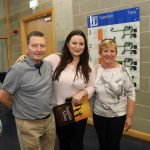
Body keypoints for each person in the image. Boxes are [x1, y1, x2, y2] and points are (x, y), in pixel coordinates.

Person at [0, 31, 56, 150]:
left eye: (42, 46)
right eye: (34, 45)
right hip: (28, 124)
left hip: (49, 120)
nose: (39, 49)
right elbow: (3, 96)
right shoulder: (17, 69)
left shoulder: (48, 65)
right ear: (27, 48)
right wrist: (18, 109)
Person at [44, 30, 95, 150]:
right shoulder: (55, 59)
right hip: (60, 107)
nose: (78, 47)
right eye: (74, 43)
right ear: (67, 43)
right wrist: (24, 57)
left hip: (79, 106)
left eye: (81, 44)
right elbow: (36, 62)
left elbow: (92, 86)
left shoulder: (88, 64)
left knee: (78, 143)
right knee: (64, 142)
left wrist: (83, 92)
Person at [93, 38, 136, 150]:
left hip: (117, 116)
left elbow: (131, 94)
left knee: (113, 145)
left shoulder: (123, 71)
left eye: (112, 51)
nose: (109, 54)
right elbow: (90, 89)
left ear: (116, 53)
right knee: (102, 144)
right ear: (100, 53)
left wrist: (130, 117)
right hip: (99, 115)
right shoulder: (96, 69)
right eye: (105, 51)